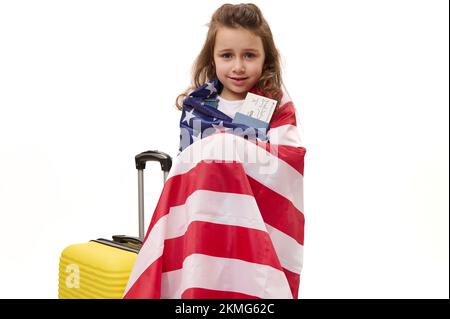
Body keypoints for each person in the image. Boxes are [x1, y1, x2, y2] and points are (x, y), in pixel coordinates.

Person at [124, 3, 306, 299]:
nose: (238, 66)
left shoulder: (270, 102)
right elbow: (190, 168)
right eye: (227, 55)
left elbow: (287, 158)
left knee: (243, 284)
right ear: (213, 57)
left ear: (266, 57)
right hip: (204, 218)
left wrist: (226, 146)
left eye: (249, 55)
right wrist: (218, 151)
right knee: (205, 277)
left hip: (252, 221)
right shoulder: (201, 106)